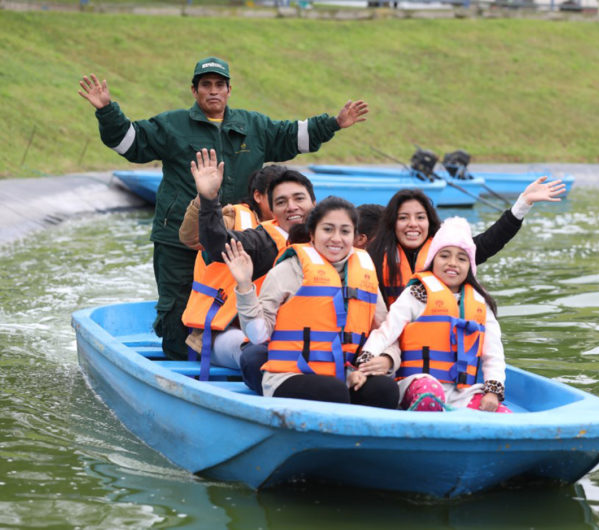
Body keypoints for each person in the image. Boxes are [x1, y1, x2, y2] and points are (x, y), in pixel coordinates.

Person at [78, 56, 368, 359]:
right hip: (178, 241)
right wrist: (107, 111)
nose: (213, 91)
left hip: (236, 242)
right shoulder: (172, 124)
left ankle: (234, 365)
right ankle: (179, 374)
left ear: (229, 90)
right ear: (194, 90)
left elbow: (294, 135)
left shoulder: (253, 125)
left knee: (233, 310)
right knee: (176, 313)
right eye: (206, 85)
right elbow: (130, 143)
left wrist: (333, 123)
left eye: (219, 84)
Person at [221, 197, 399, 407]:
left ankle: (363, 440)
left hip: (345, 375)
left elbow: (387, 333)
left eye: (344, 231)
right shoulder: (287, 270)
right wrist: (244, 286)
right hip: (290, 375)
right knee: (333, 392)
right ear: (312, 233)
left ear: (354, 236)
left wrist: (388, 359)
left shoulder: (365, 272)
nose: (336, 238)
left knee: (385, 390)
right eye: (328, 229)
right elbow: (257, 334)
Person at [358, 217, 512, 413]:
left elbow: (494, 355)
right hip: (416, 383)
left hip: (460, 392)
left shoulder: (481, 302)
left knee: (502, 414)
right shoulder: (415, 294)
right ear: (433, 260)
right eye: (444, 256)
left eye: (461, 258)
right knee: (429, 394)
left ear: (470, 266)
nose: (452, 263)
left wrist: (493, 391)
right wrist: (366, 359)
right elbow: (386, 331)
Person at [366, 177, 566, 307]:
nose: (413, 225)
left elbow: (489, 242)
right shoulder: (373, 258)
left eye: (420, 217)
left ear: (429, 221)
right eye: (403, 218)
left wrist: (523, 204)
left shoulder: (448, 253)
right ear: (392, 222)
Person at [178, 164, 286, 373]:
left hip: (272, 325)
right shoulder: (234, 218)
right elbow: (191, 237)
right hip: (223, 329)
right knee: (260, 353)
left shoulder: (299, 231)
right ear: (258, 196)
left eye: (294, 198)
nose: (287, 205)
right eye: (278, 197)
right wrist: (205, 197)